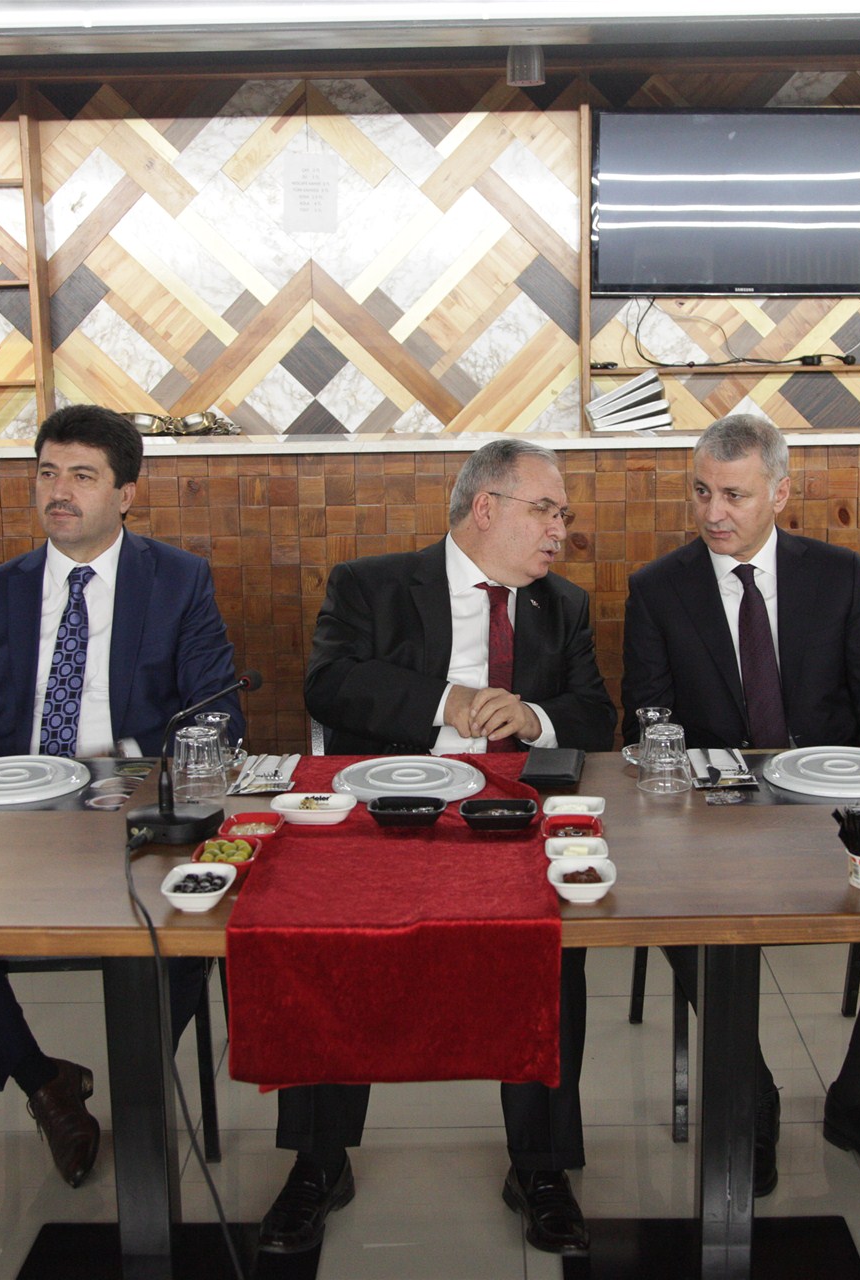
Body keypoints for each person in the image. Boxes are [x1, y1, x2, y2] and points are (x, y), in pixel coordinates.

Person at [260, 438, 615, 1257]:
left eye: (563, 514)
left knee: (547, 955)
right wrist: (443, 702)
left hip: (508, 820)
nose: (560, 530)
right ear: (485, 508)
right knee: (324, 947)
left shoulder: (562, 605)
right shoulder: (372, 585)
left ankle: (541, 1167)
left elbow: (597, 716)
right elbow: (329, 685)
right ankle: (319, 1164)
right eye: (545, 510)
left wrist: (534, 718)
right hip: (382, 814)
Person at [0, 404, 241, 1190]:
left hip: (135, 809)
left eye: (82, 476)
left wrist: (138, 780)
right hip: (11, 819)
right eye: (48, 473)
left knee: (185, 923)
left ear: (126, 493)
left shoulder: (178, 580)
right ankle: (47, 1086)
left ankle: (137, 1083)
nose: (59, 492)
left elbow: (220, 716)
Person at [622, 414, 860, 1200]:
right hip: (714, 817)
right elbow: (647, 724)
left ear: (779, 493)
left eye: (733, 494)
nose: (713, 512)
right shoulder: (658, 589)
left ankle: (859, 1096)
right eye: (701, 491)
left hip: (832, 805)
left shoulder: (835, 575)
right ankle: (752, 1091)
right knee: (678, 909)